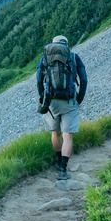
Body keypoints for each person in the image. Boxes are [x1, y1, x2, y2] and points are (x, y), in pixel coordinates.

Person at [36, 35, 88, 180]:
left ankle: (58, 161)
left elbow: (39, 77)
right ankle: (63, 170)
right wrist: (79, 99)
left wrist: (42, 98)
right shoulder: (74, 57)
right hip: (69, 101)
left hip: (51, 100)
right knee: (67, 135)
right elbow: (83, 79)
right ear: (66, 45)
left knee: (55, 133)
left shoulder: (46, 57)